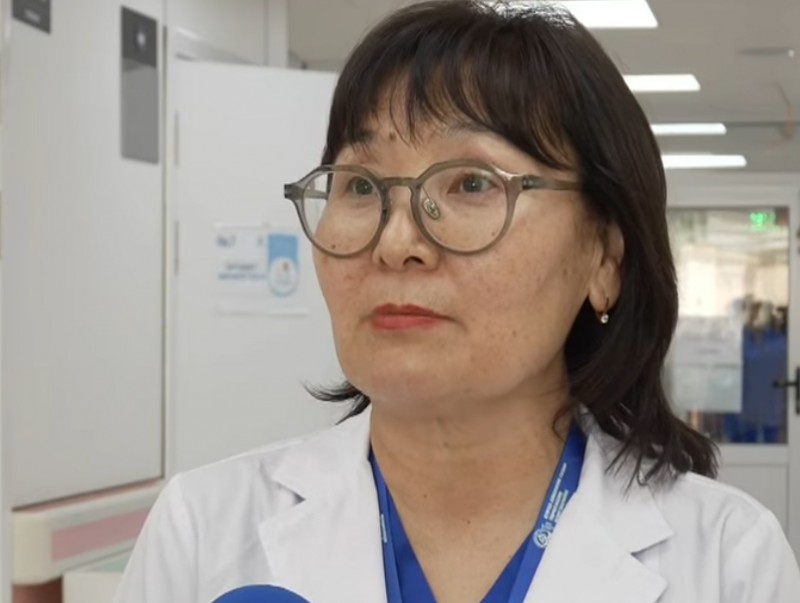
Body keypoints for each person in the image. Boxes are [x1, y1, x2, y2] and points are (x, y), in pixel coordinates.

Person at [113, 1, 800, 602]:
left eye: (472, 183)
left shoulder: (728, 561)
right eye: (360, 186)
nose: (396, 242)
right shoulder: (203, 532)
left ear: (604, 260)